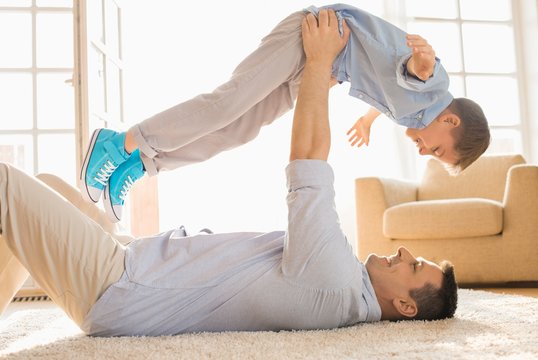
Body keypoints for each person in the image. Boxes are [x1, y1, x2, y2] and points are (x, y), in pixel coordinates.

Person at [0, 10, 457, 337]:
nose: (403, 250)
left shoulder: (336, 281)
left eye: (414, 266)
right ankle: (138, 161)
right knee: (41, 189)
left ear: (405, 306)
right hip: (130, 263)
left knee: (5, 185)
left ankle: (124, 145)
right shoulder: (343, 285)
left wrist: (319, 62)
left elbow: (308, 162)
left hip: (119, 284)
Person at [79, 3, 491, 223]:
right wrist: (423, 62)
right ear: (450, 121)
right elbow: (417, 73)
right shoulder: (434, 85)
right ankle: (119, 144)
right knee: (228, 103)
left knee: (239, 131)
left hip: (321, 64)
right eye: (437, 152)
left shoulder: (416, 118)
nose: (425, 154)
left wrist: (367, 119)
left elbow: (392, 95)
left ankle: (140, 164)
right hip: (312, 34)